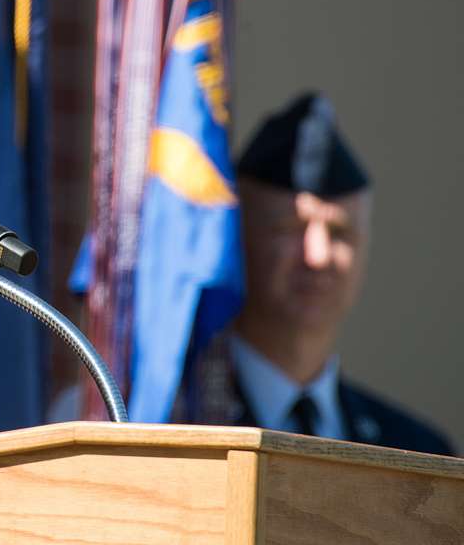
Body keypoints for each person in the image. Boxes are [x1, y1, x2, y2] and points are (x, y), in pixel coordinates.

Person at [183, 92, 455, 456]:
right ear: (239, 239)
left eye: (341, 233)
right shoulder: (173, 428)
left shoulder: (415, 452)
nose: (319, 256)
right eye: (291, 228)